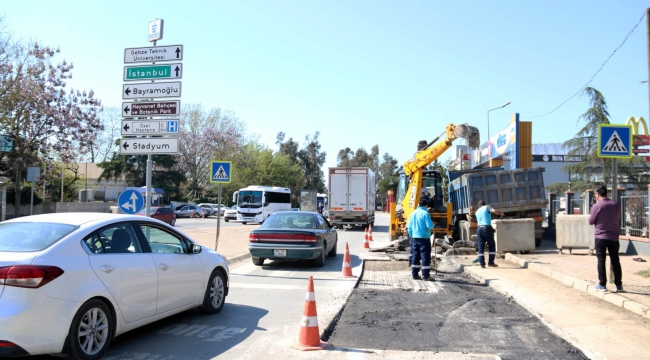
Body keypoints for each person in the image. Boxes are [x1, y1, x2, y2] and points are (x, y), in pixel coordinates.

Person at [588, 185, 623, 292]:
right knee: (615, 260)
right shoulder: (616, 205)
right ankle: (619, 285)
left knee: (601, 260)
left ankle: (602, 284)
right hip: (613, 236)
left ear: (597, 194)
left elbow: (591, 221)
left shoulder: (597, 206)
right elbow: (617, 217)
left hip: (600, 237)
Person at [407, 198, 435, 281]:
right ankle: (426, 276)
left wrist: (412, 236)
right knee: (425, 256)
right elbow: (430, 226)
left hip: (414, 238)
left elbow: (409, 227)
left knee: (415, 256)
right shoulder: (425, 213)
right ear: (426, 205)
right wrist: (433, 225)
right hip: (424, 238)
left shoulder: (413, 213)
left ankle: (414, 274)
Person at [475, 200, 504, 268]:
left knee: (480, 247)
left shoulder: (477, 211)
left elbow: (481, 221)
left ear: (479, 206)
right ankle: (491, 262)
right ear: (484, 204)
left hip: (479, 229)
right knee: (491, 245)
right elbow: (494, 211)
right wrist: (501, 213)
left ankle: (482, 264)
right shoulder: (486, 207)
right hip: (486, 228)